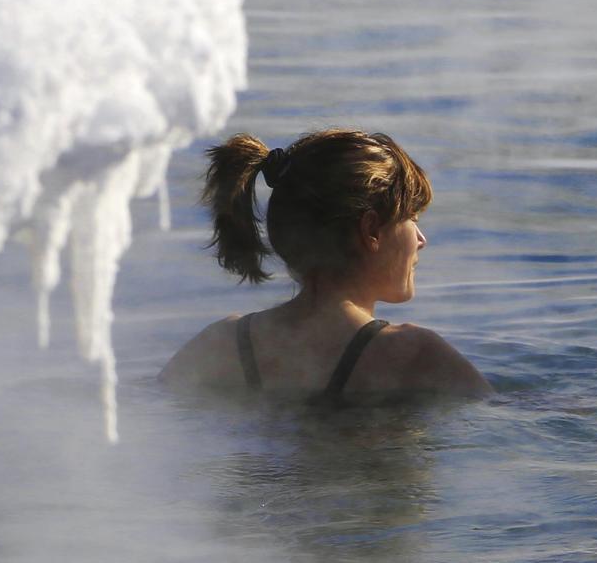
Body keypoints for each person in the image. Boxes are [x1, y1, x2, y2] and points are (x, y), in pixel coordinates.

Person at [163, 129, 488, 402]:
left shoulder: (221, 344)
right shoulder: (414, 355)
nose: (420, 240)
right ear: (372, 230)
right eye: (412, 219)